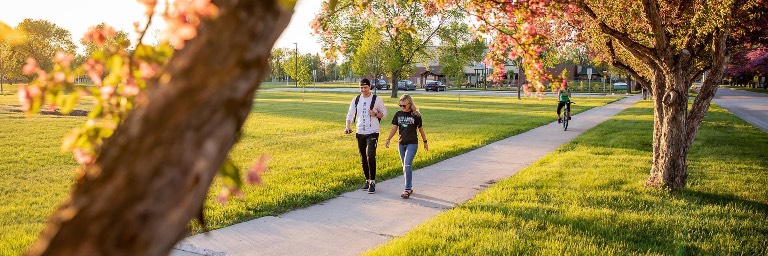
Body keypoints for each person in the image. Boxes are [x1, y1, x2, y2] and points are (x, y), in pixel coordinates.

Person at [345, 78, 387, 194]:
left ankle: (372, 182)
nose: (363, 90)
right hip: (360, 131)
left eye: (366, 87)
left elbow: (384, 113)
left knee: (370, 155)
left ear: (370, 87)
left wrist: (375, 114)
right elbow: (350, 114)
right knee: (363, 157)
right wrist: (347, 126)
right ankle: (367, 180)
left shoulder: (376, 99)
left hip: (373, 131)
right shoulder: (356, 99)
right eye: (361, 88)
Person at [385, 94, 428, 199]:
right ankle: (409, 186)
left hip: (412, 143)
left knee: (407, 164)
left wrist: (425, 142)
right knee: (405, 166)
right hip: (401, 143)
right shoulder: (398, 114)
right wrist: (388, 139)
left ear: (410, 104)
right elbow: (394, 128)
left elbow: (421, 130)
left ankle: (407, 189)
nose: (402, 107)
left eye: (404, 105)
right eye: (400, 105)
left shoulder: (416, 115)